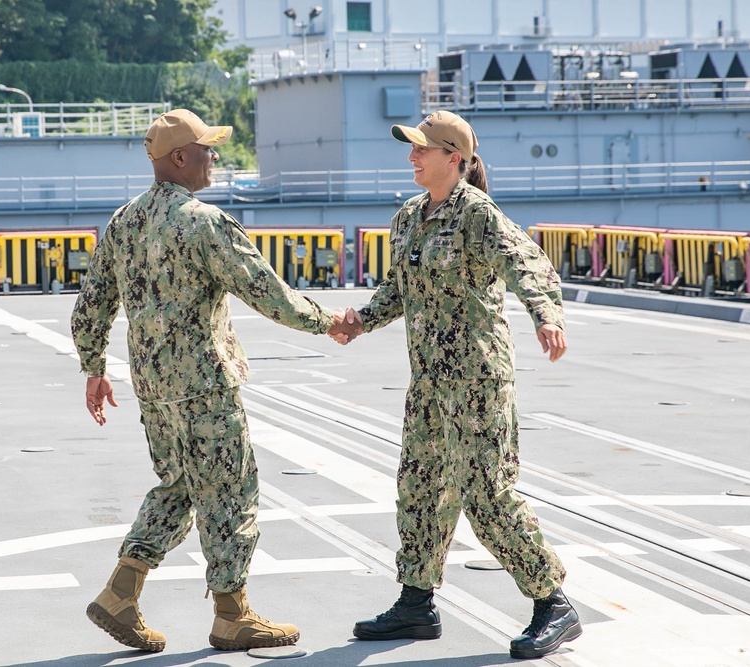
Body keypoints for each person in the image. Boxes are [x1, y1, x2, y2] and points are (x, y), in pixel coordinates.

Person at [71, 109, 353, 653]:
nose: (214, 157)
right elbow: (269, 294)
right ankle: (232, 615)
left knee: (178, 486)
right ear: (180, 158)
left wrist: (94, 369)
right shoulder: (203, 222)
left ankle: (119, 595)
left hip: (154, 390)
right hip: (204, 385)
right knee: (231, 493)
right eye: (206, 148)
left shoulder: (124, 221)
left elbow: (90, 307)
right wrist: (329, 322)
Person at [334, 110, 582, 660]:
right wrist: (360, 322)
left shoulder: (476, 214)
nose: (411, 156)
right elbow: (396, 290)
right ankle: (416, 603)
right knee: (420, 487)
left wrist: (547, 315)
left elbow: (529, 264)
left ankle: (552, 601)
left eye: (422, 149)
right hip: (428, 383)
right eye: (412, 147)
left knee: (487, 494)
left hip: (477, 382)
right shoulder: (409, 217)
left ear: (455, 159)